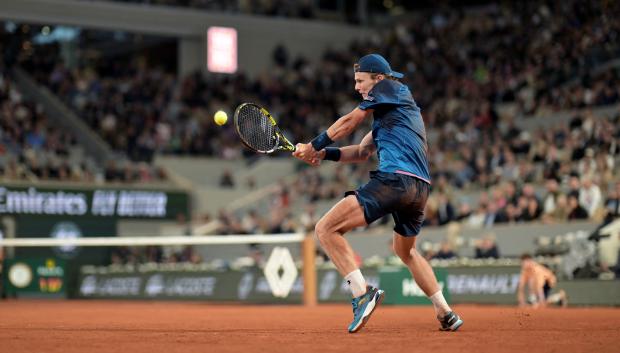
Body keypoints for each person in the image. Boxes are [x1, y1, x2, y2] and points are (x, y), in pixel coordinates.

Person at [293, 54, 463, 333]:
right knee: (405, 251)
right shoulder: (394, 111)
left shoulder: (390, 88)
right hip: (419, 190)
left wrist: (313, 144)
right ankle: (445, 312)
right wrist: (322, 154)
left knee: (326, 229)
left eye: (361, 81)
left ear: (378, 78)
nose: (357, 87)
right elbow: (360, 152)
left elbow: (349, 121)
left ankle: (362, 293)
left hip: (396, 180)